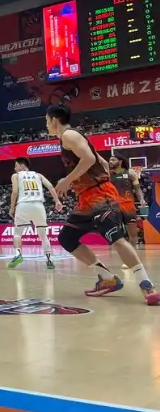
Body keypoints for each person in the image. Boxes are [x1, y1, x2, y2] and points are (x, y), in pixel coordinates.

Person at [46, 104, 159, 305]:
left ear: (54, 120)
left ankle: (147, 286)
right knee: (67, 238)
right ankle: (107, 278)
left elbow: (89, 159)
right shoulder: (74, 137)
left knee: (117, 239)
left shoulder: (68, 136)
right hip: (87, 198)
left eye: (47, 121)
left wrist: (67, 180)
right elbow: (103, 163)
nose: (46, 125)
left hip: (99, 196)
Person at [7, 157, 62, 270]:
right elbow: (51, 187)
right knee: (43, 235)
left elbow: (15, 192)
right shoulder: (38, 175)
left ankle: (18, 255)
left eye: (16, 166)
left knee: (17, 234)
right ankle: (49, 259)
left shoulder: (16, 176)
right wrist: (57, 201)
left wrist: (12, 208)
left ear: (22, 165)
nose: (15, 168)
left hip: (23, 205)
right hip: (38, 206)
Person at [109, 155, 147, 248]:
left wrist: (141, 199)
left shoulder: (130, 173)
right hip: (114, 206)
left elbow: (137, 189)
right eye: (109, 160)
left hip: (128, 207)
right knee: (115, 235)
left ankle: (132, 252)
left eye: (113, 160)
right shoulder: (107, 175)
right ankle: (120, 253)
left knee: (133, 233)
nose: (110, 162)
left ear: (120, 162)